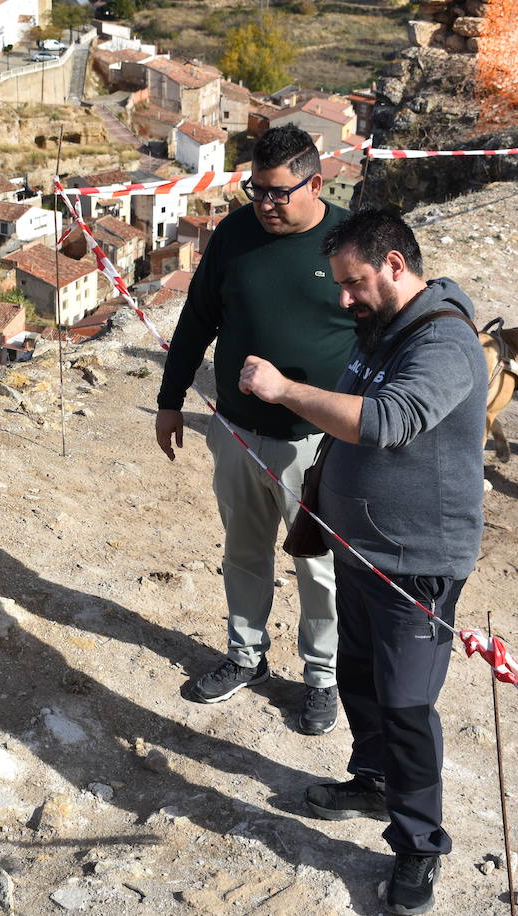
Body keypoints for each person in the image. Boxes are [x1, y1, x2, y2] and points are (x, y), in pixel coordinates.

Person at [238, 210, 486, 916]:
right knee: (361, 678)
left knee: (407, 705)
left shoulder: (443, 343)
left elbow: (384, 422)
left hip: (417, 565)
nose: (344, 299)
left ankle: (418, 846)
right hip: (361, 548)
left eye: (355, 283)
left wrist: (284, 391)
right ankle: (373, 779)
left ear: (398, 266)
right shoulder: (382, 332)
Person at [154, 125, 356, 735]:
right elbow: (197, 319)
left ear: (315, 183)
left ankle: (322, 678)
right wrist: (169, 401)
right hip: (237, 433)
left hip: (318, 445)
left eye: (277, 193)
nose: (264, 205)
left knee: (317, 566)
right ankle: (247, 656)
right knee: (243, 550)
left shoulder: (349, 242)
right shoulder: (235, 235)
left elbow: (387, 336)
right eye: (255, 191)